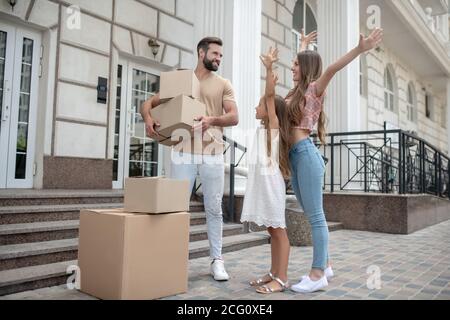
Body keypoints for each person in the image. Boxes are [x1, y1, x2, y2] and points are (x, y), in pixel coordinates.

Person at [284, 28, 383, 293]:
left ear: (305, 68)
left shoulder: (316, 88)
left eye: (296, 64)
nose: (291, 67)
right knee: (309, 213)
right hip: (296, 157)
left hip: (306, 154)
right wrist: (303, 44)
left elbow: (333, 69)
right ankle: (326, 264)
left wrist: (359, 49)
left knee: (316, 217)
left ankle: (317, 274)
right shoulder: (294, 93)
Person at [140, 37, 239, 281]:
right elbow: (147, 103)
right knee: (176, 209)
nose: (218, 58)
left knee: (213, 208)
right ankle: (174, 260)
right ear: (201, 52)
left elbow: (234, 117)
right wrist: (148, 119)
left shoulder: (223, 84)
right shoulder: (182, 81)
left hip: (212, 154)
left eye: (220, 55)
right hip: (182, 152)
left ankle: (217, 260)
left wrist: (211, 120)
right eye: (215, 54)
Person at [240, 47, 291, 294]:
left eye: (261, 104)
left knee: (279, 230)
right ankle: (272, 272)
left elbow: (270, 96)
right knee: (272, 229)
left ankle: (281, 279)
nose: (257, 106)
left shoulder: (273, 127)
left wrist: (269, 68)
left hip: (271, 184)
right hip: (263, 183)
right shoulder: (263, 129)